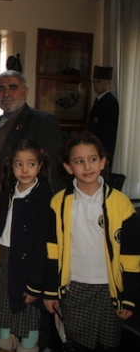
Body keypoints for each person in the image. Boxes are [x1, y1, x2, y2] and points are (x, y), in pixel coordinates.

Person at [43, 133, 140, 352]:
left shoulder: (121, 203)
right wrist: (50, 291)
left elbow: (131, 256)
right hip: (75, 286)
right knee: (76, 343)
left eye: (93, 159)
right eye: (79, 161)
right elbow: (51, 251)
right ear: (68, 167)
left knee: (108, 343)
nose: (87, 166)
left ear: (103, 162)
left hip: (110, 289)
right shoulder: (59, 203)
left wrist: (129, 297)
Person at [0, 140, 55, 352]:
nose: (24, 170)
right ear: (11, 166)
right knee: (4, 312)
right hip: (4, 259)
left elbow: (42, 247)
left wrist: (35, 284)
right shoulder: (8, 193)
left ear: (40, 166)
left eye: (31, 164)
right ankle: (4, 345)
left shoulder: (44, 199)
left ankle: (28, 347)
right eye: (19, 164)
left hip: (28, 266)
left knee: (27, 316)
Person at [0, 70, 63, 191]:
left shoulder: (42, 121)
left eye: (13, 88)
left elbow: (50, 169)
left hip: (23, 196)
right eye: (1, 89)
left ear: (25, 92)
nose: (6, 94)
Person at [88, 65, 119, 162]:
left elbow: (109, 132)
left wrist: (106, 154)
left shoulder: (110, 102)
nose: (95, 85)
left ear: (108, 82)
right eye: (94, 82)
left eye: (99, 81)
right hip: (95, 147)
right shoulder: (98, 100)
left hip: (103, 150)